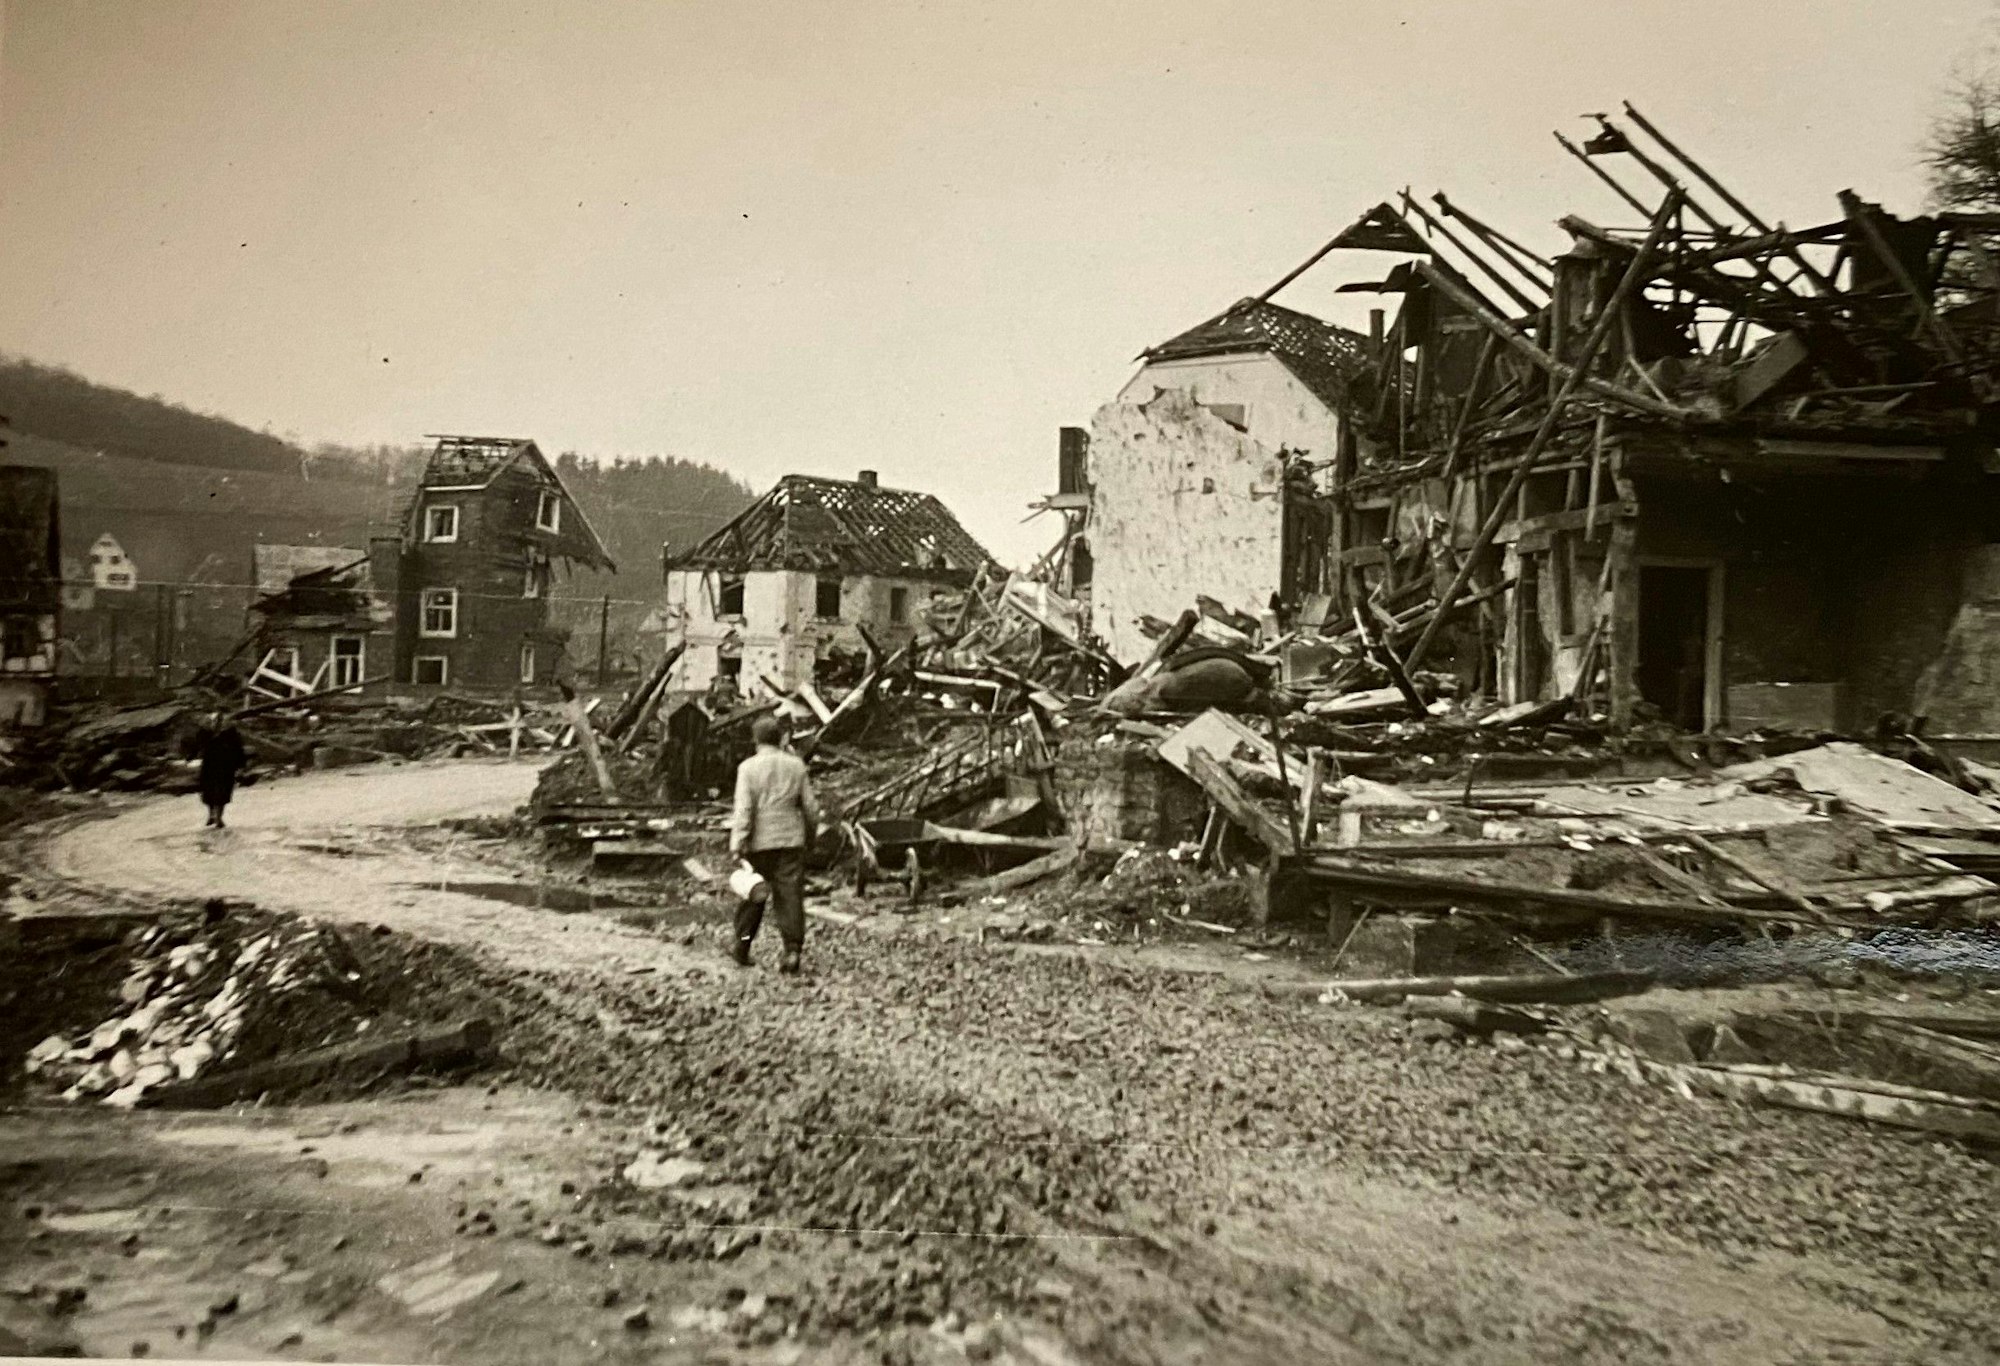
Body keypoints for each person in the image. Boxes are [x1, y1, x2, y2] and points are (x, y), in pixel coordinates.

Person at [728, 713, 820, 973]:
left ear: (755, 740)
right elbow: (811, 809)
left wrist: (738, 842)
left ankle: (743, 945)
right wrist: (810, 838)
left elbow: (744, 810)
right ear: (780, 738)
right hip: (791, 841)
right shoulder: (796, 766)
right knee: (790, 895)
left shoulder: (747, 768)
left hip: (759, 842)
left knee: (753, 895)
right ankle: (792, 951)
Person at [197, 710, 247, 829]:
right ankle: (213, 815)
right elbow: (198, 744)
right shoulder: (207, 732)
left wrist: (240, 766)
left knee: (221, 792)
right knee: (211, 791)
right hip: (214, 764)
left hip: (223, 765)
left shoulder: (229, 732)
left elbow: (238, 748)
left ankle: (217, 817)